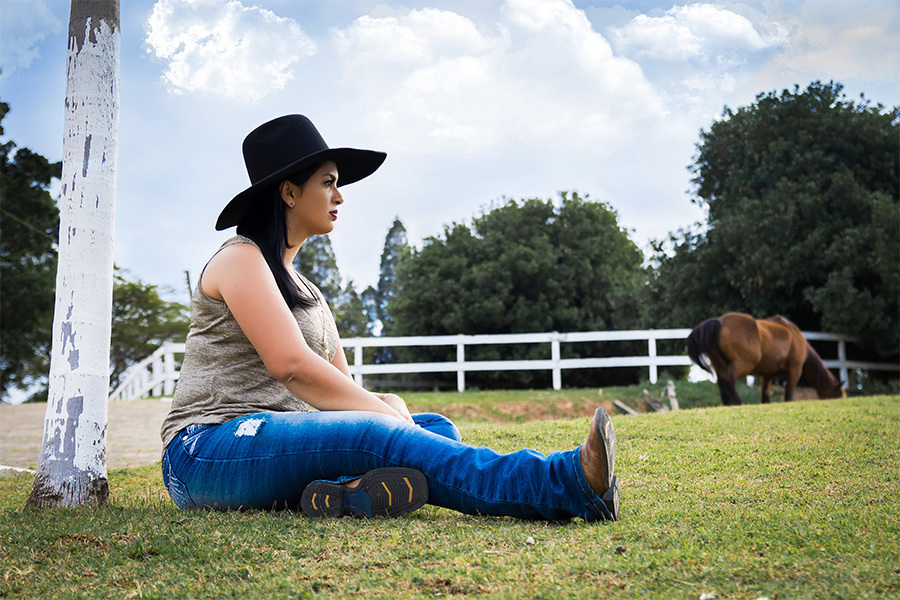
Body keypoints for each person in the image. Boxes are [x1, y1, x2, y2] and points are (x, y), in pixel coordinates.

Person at [160, 114, 620, 521]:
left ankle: (343, 494)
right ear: (289, 192)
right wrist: (383, 417)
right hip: (207, 450)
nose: (340, 196)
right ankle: (566, 482)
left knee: (432, 427)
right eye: (328, 182)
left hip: (271, 445)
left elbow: (342, 389)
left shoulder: (307, 292)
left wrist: (387, 403)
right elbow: (294, 367)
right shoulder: (240, 260)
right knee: (386, 431)